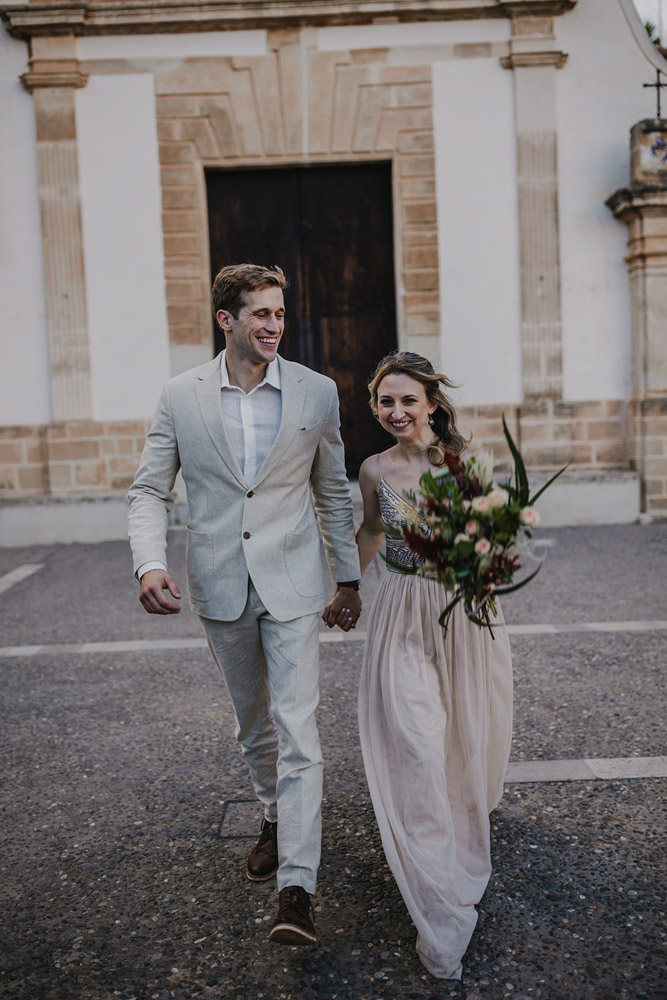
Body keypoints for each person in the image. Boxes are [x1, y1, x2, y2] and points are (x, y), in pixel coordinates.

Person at [128, 263, 362, 946]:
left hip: (293, 582)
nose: (272, 325)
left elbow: (332, 488)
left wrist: (347, 577)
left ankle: (297, 889)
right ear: (225, 320)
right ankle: (272, 813)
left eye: (279, 313)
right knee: (254, 723)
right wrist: (148, 562)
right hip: (221, 583)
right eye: (258, 313)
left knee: (298, 730)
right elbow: (149, 489)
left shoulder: (316, 393)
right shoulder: (181, 396)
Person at [337, 351, 513, 980]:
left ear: (432, 403)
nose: (397, 411)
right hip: (401, 617)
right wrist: (345, 588)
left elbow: (496, 537)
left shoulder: (465, 464)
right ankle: (433, 878)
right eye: (386, 401)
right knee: (414, 738)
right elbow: (369, 533)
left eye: (408, 399)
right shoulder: (373, 469)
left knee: (463, 734)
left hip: (463, 615)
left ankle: (461, 812)